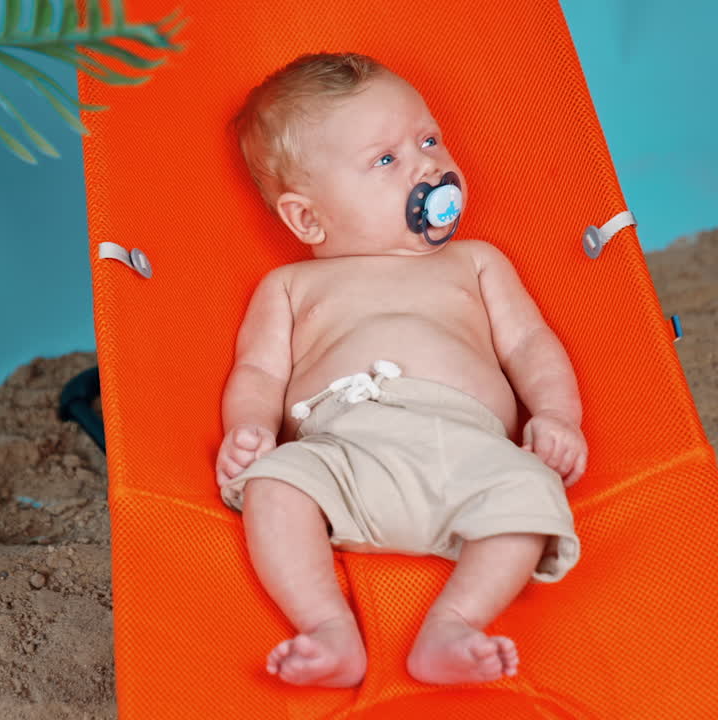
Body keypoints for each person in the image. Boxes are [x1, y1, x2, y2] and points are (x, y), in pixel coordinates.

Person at [217, 52, 585, 688]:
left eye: (429, 139)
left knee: (533, 494)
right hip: (342, 448)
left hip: (471, 448)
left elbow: (529, 343)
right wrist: (249, 430)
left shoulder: (476, 261)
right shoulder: (290, 285)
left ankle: (455, 624)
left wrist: (557, 415)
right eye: (386, 160)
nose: (428, 165)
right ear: (307, 217)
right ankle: (328, 627)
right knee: (273, 487)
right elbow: (256, 372)